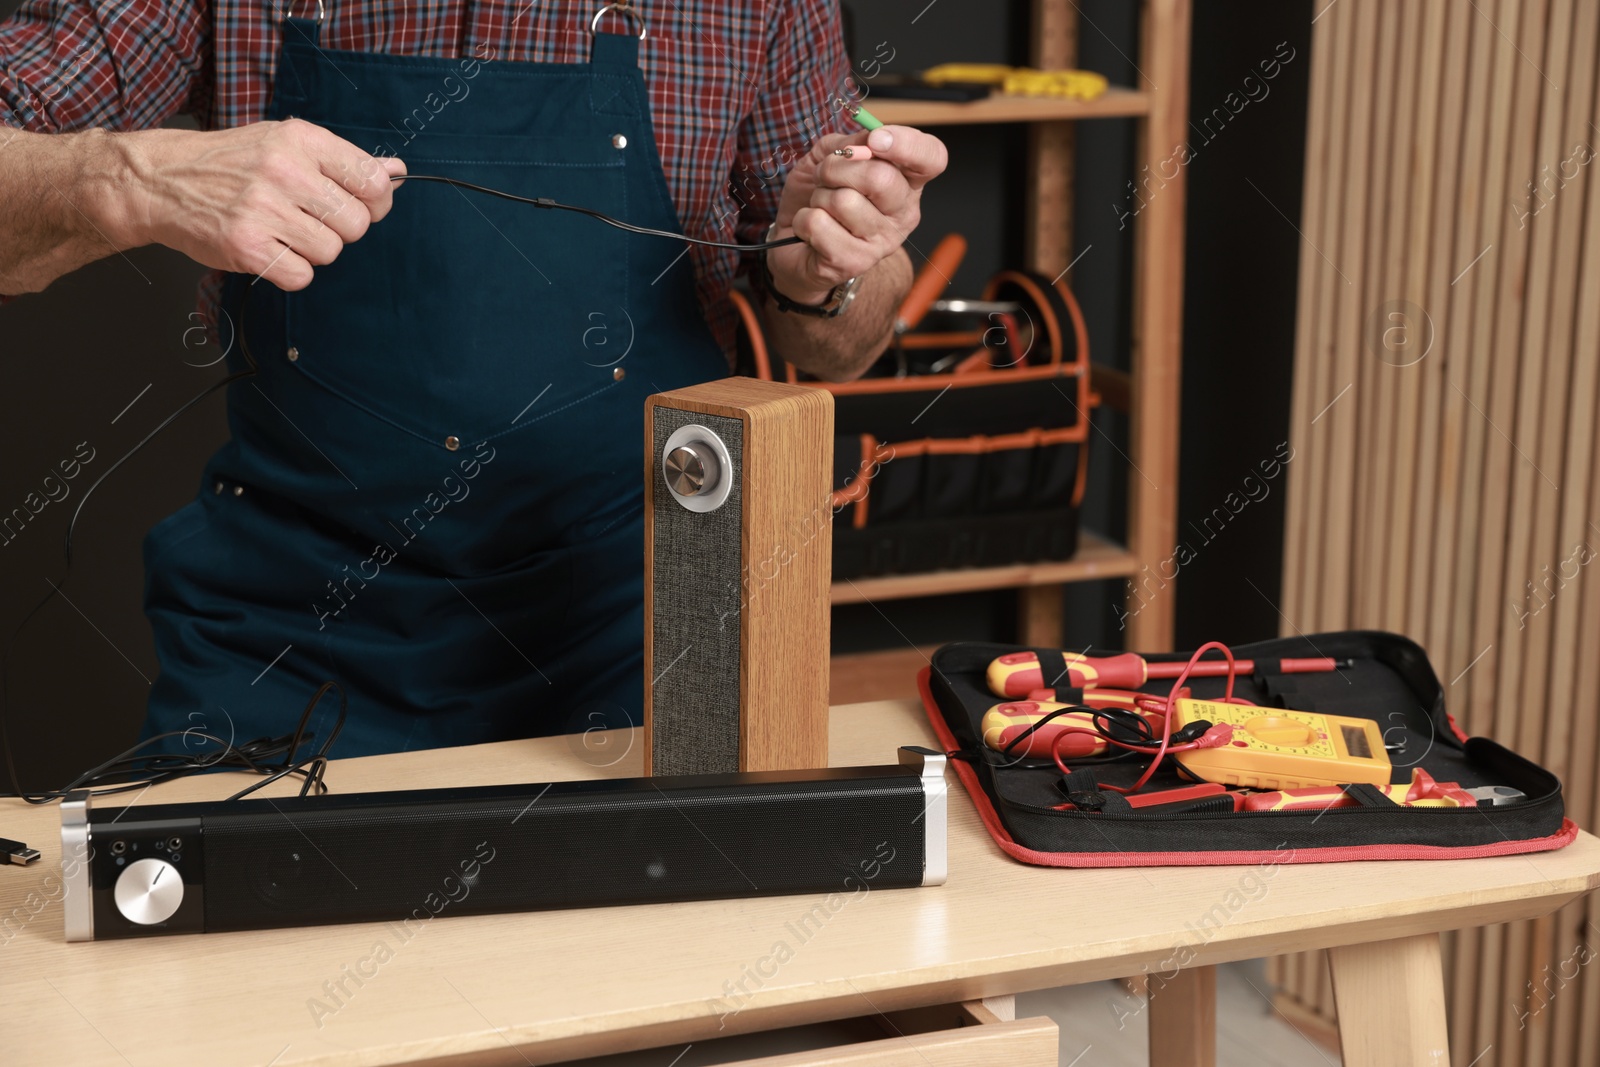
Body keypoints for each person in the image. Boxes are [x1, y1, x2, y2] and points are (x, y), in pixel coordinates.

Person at [0, 1, 947, 756]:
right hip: (290, 627)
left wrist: (836, 264)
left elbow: (843, 344)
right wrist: (125, 176)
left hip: (639, 625)